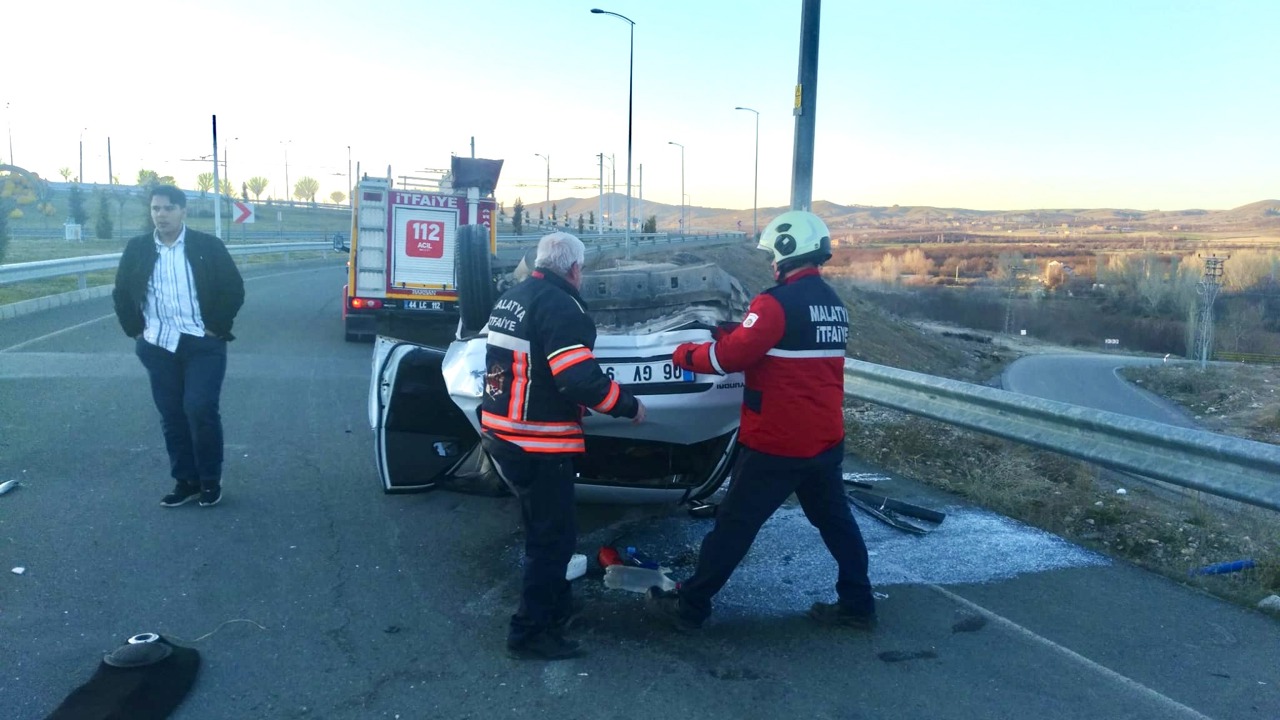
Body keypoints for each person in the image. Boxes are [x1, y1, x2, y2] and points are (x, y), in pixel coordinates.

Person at [646, 210, 877, 631]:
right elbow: (776, 344)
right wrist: (735, 333)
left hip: (776, 441)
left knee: (734, 526)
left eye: (773, 254)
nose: (772, 262)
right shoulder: (833, 304)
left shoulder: (774, 303)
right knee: (837, 524)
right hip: (824, 439)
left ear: (788, 250)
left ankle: (690, 606)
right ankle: (858, 604)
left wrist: (684, 355)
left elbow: (728, 358)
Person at [480, 231, 646, 661]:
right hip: (537, 440)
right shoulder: (561, 306)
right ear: (574, 269)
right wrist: (627, 406)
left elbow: (526, 366)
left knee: (544, 532)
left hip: (503, 433)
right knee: (552, 542)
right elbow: (577, 378)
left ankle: (555, 610)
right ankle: (530, 633)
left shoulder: (513, 297)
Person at [112, 185, 245, 509]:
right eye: (155, 208)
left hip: (202, 343)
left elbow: (233, 288)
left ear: (183, 211)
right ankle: (186, 481)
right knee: (172, 415)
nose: (161, 215)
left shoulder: (207, 246)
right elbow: (122, 292)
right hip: (158, 345)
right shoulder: (138, 248)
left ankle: (210, 479)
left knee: (199, 407)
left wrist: (216, 327)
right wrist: (136, 332)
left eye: (168, 208)